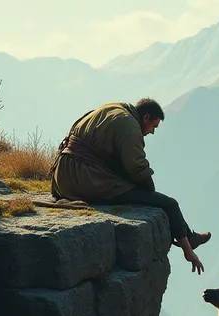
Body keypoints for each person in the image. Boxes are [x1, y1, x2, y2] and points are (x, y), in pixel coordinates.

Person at [51, 98, 210, 275]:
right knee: (169, 203)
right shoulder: (130, 127)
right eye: (153, 127)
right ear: (146, 117)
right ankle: (188, 244)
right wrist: (149, 189)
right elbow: (137, 168)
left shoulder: (111, 109)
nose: (152, 132)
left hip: (63, 177)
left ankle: (189, 237)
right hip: (86, 179)